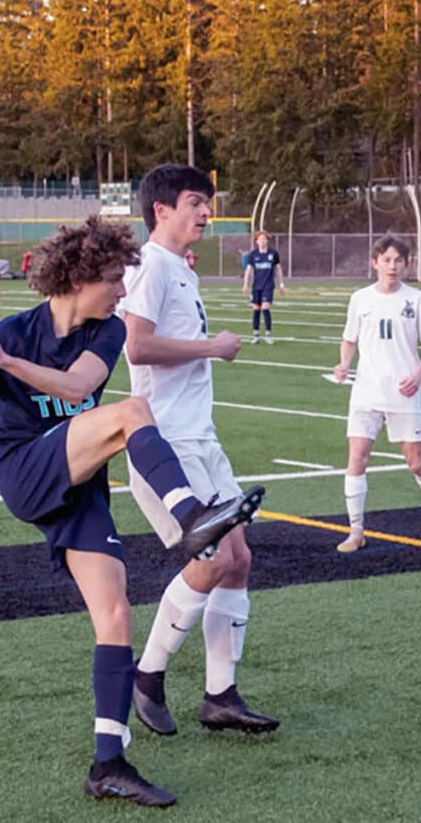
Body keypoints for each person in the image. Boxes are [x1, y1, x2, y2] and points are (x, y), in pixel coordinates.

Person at [0, 217, 265, 808]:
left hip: (79, 485)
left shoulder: (105, 332)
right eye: (113, 278)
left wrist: (5, 361)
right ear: (79, 277)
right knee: (133, 410)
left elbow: (73, 385)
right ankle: (190, 518)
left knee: (115, 615)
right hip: (27, 469)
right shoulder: (16, 331)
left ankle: (108, 765)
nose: (120, 290)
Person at [121, 164, 280, 738]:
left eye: (207, 203)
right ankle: (147, 676)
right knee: (210, 560)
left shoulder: (180, 269)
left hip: (200, 439)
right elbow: (135, 348)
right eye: (195, 202)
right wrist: (211, 346)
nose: (206, 212)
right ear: (161, 210)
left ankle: (220, 696)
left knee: (238, 560)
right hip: (166, 444)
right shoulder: (150, 266)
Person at [334, 235, 421, 553]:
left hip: (403, 392)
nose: (392, 266)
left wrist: (417, 376)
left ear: (407, 264)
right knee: (357, 457)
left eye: (398, 260)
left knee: (415, 461)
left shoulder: (417, 300)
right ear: (375, 263)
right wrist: (343, 364)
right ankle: (355, 531)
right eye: (386, 260)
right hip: (366, 390)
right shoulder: (360, 299)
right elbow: (349, 340)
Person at [241, 230, 286, 344]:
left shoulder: (273, 254)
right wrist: (245, 284)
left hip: (268, 286)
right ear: (256, 241)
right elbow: (248, 270)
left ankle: (268, 334)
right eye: (260, 239)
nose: (262, 241)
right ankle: (256, 335)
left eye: (264, 239)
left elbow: (278, 269)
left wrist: (281, 284)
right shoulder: (253, 255)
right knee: (256, 309)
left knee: (265, 308)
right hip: (256, 286)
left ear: (267, 241)